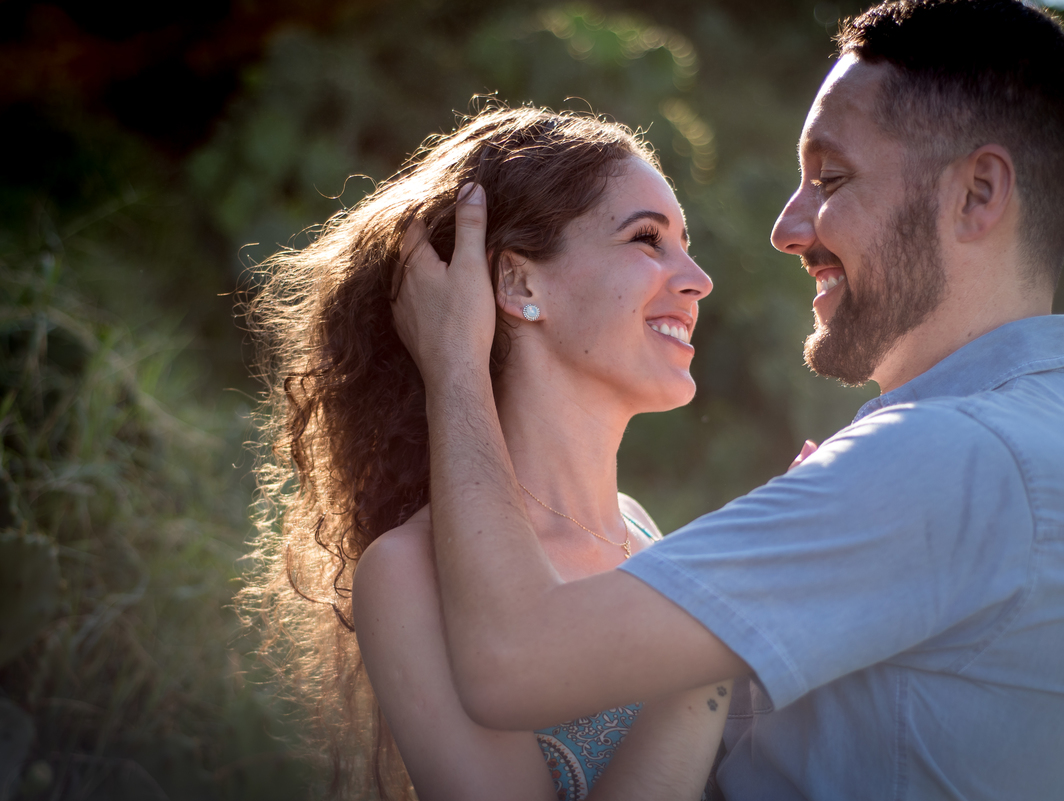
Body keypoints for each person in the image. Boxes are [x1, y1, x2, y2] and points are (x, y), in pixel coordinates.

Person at [389, 1, 1064, 800]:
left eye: (831, 178)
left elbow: (515, 659)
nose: (787, 228)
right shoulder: (1048, 442)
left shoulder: (954, 455)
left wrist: (454, 364)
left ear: (978, 193)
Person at [242, 106, 734, 801]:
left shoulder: (643, 530)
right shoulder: (410, 572)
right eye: (648, 239)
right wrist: (722, 627)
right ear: (519, 286)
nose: (697, 278)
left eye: (686, 243)